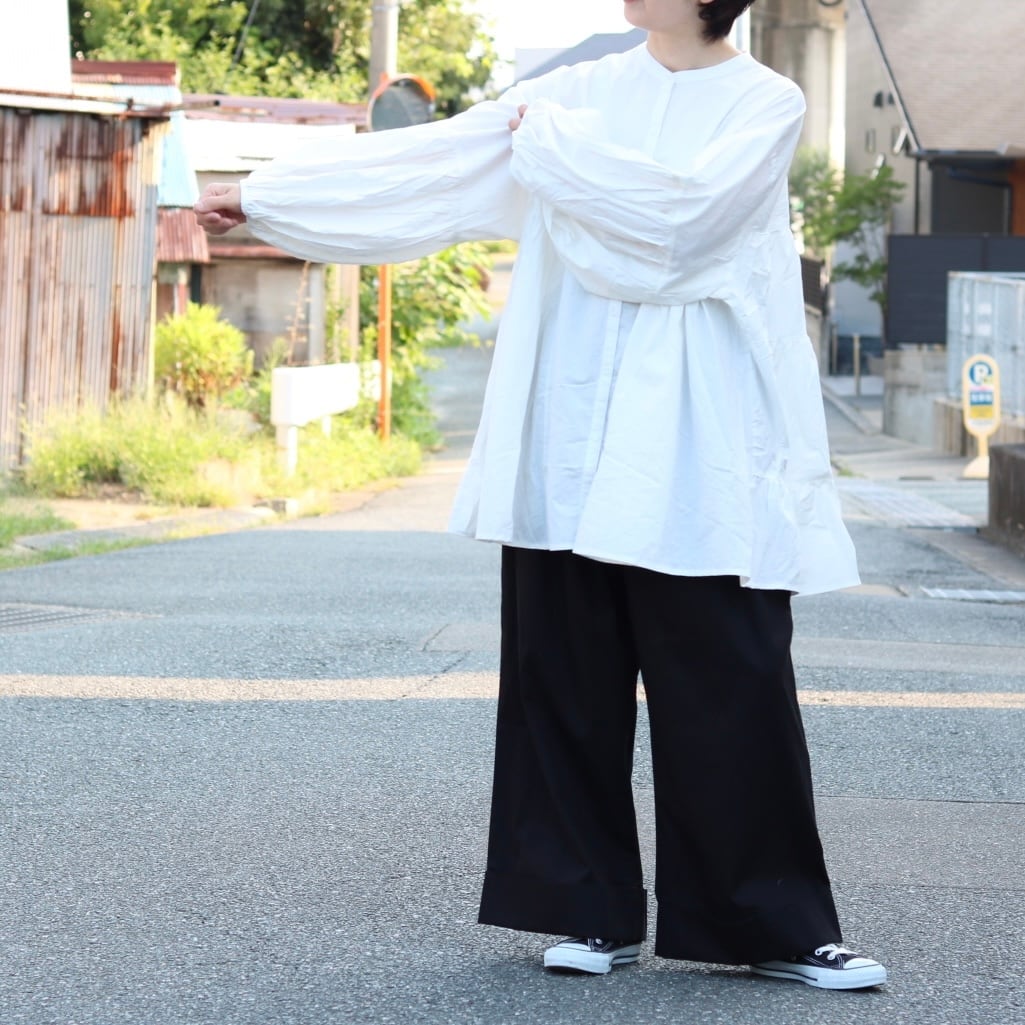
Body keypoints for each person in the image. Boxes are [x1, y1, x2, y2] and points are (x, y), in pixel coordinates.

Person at [195, 0, 887, 991]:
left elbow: (680, 228)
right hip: (567, 423)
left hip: (700, 439)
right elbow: (438, 161)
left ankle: (771, 922)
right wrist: (270, 198)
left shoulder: (759, 103)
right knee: (561, 676)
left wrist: (556, 153)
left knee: (731, 682)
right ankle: (584, 907)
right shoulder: (576, 91)